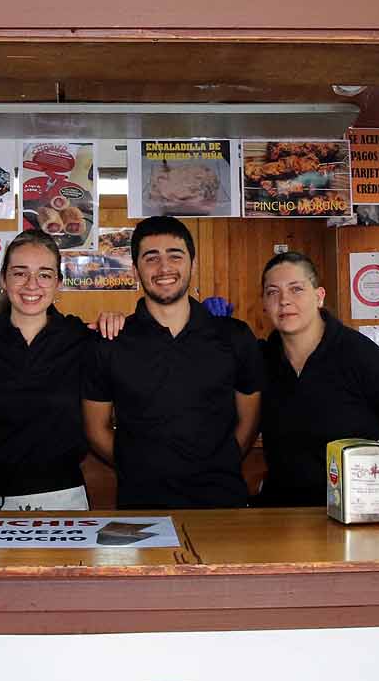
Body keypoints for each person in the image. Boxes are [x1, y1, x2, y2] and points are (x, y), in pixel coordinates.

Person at [82, 215, 263, 508]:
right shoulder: (110, 343)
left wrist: (219, 460)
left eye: (175, 256)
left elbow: (249, 418)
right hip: (141, 509)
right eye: (151, 257)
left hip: (223, 504)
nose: (164, 267)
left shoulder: (235, 337)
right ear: (135, 268)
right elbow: (95, 429)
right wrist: (137, 465)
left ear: (193, 263)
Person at [255, 251, 379, 507]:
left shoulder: (358, 353)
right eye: (272, 292)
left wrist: (361, 433)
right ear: (264, 303)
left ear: (319, 296)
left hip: (350, 513)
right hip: (281, 514)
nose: (284, 300)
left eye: (296, 289)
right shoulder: (263, 359)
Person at [0, 229, 97, 510]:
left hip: (63, 497)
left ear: (58, 283)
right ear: (3, 279)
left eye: (45, 274)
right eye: (20, 273)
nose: (31, 285)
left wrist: (115, 320)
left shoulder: (82, 339)